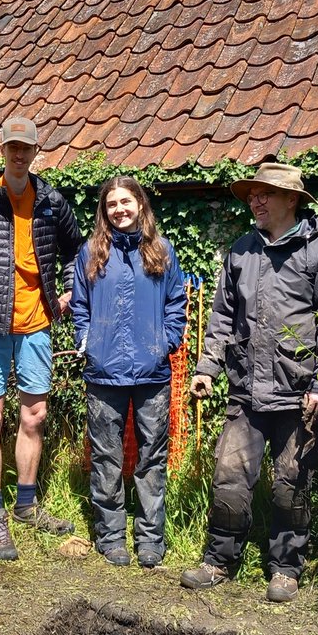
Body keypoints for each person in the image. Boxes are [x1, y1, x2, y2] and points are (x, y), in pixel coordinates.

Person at [182, 162, 318, 601]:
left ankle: (285, 568)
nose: (255, 201)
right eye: (252, 195)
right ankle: (219, 561)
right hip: (245, 391)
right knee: (229, 477)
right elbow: (222, 316)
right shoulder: (241, 251)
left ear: (291, 199)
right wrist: (206, 368)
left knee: (291, 485)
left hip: (298, 392)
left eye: (264, 194)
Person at [0, 115, 84, 561]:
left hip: (37, 326)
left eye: (26, 148)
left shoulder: (52, 202)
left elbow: (76, 251)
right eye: (13, 148)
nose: (19, 154)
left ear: (35, 151)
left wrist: (68, 289)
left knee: (35, 417)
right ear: (2, 151)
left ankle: (26, 504)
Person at [71, 176, 186, 568]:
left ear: (140, 204)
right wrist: (87, 342)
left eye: (125, 202)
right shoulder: (91, 252)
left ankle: (151, 539)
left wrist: (165, 343)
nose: (119, 210)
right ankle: (111, 537)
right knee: (107, 458)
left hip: (152, 374)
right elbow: (80, 305)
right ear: (104, 211)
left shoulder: (162, 251)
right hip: (104, 374)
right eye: (111, 204)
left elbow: (176, 303)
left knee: (152, 457)